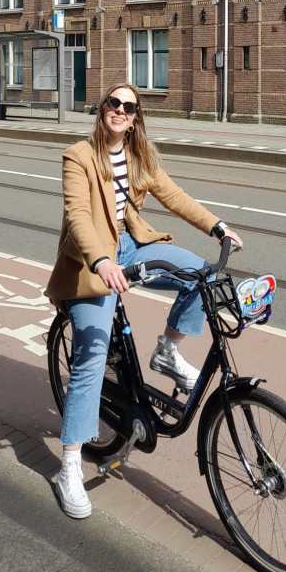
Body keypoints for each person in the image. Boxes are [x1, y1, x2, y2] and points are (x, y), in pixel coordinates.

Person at [45, 81, 243, 519]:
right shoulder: (78, 156)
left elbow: (173, 195)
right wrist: (99, 260)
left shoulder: (138, 157)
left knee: (201, 274)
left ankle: (168, 352)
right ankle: (70, 465)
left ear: (136, 118)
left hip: (129, 248)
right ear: (102, 109)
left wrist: (218, 227)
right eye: (114, 103)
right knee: (91, 357)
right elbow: (78, 216)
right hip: (89, 261)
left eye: (129, 107)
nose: (120, 110)